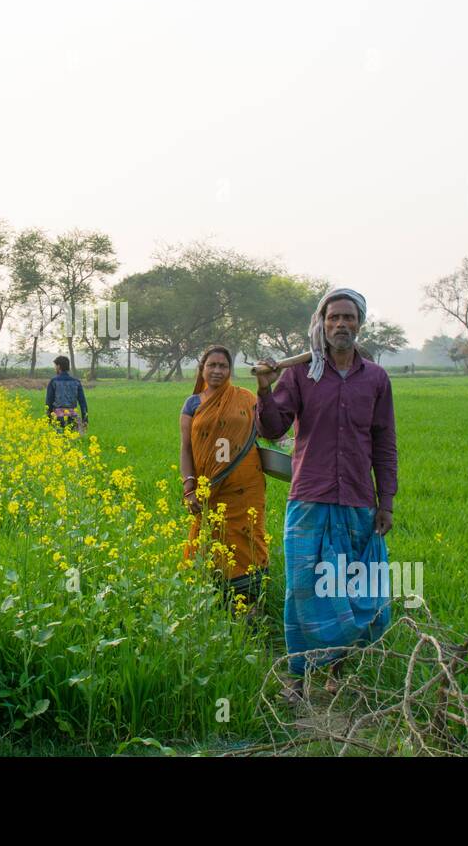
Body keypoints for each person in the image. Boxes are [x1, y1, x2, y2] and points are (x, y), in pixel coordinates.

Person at [253, 287, 398, 703]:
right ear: (321, 323)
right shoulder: (300, 374)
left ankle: (338, 672)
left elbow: (384, 442)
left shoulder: (375, 378)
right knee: (303, 589)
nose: (340, 324)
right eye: (333, 317)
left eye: (348, 318)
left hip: (356, 500)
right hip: (309, 500)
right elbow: (273, 429)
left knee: (350, 590)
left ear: (359, 324)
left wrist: (385, 500)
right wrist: (265, 390)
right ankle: (296, 680)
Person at [180, 344, 269, 617]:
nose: (217, 370)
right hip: (210, 487)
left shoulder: (245, 398)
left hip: (246, 485)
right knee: (212, 536)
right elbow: (186, 448)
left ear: (230, 371)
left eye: (223, 366)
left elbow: (268, 430)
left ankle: (251, 602)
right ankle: (213, 600)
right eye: (212, 365)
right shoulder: (193, 403)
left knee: (247, 535)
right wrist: (189, 487)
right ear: (202, 369)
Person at [45, 356, 88, 433]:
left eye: (55, 366)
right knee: (72, 442)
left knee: (58, 442)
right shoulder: (76, 382)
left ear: (58, 366)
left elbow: (49, 402)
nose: (55, 368)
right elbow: (82, 402)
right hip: (72, 417)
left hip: (58, 418)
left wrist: (48, 419)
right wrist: (85, 419)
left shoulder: (53, 381)